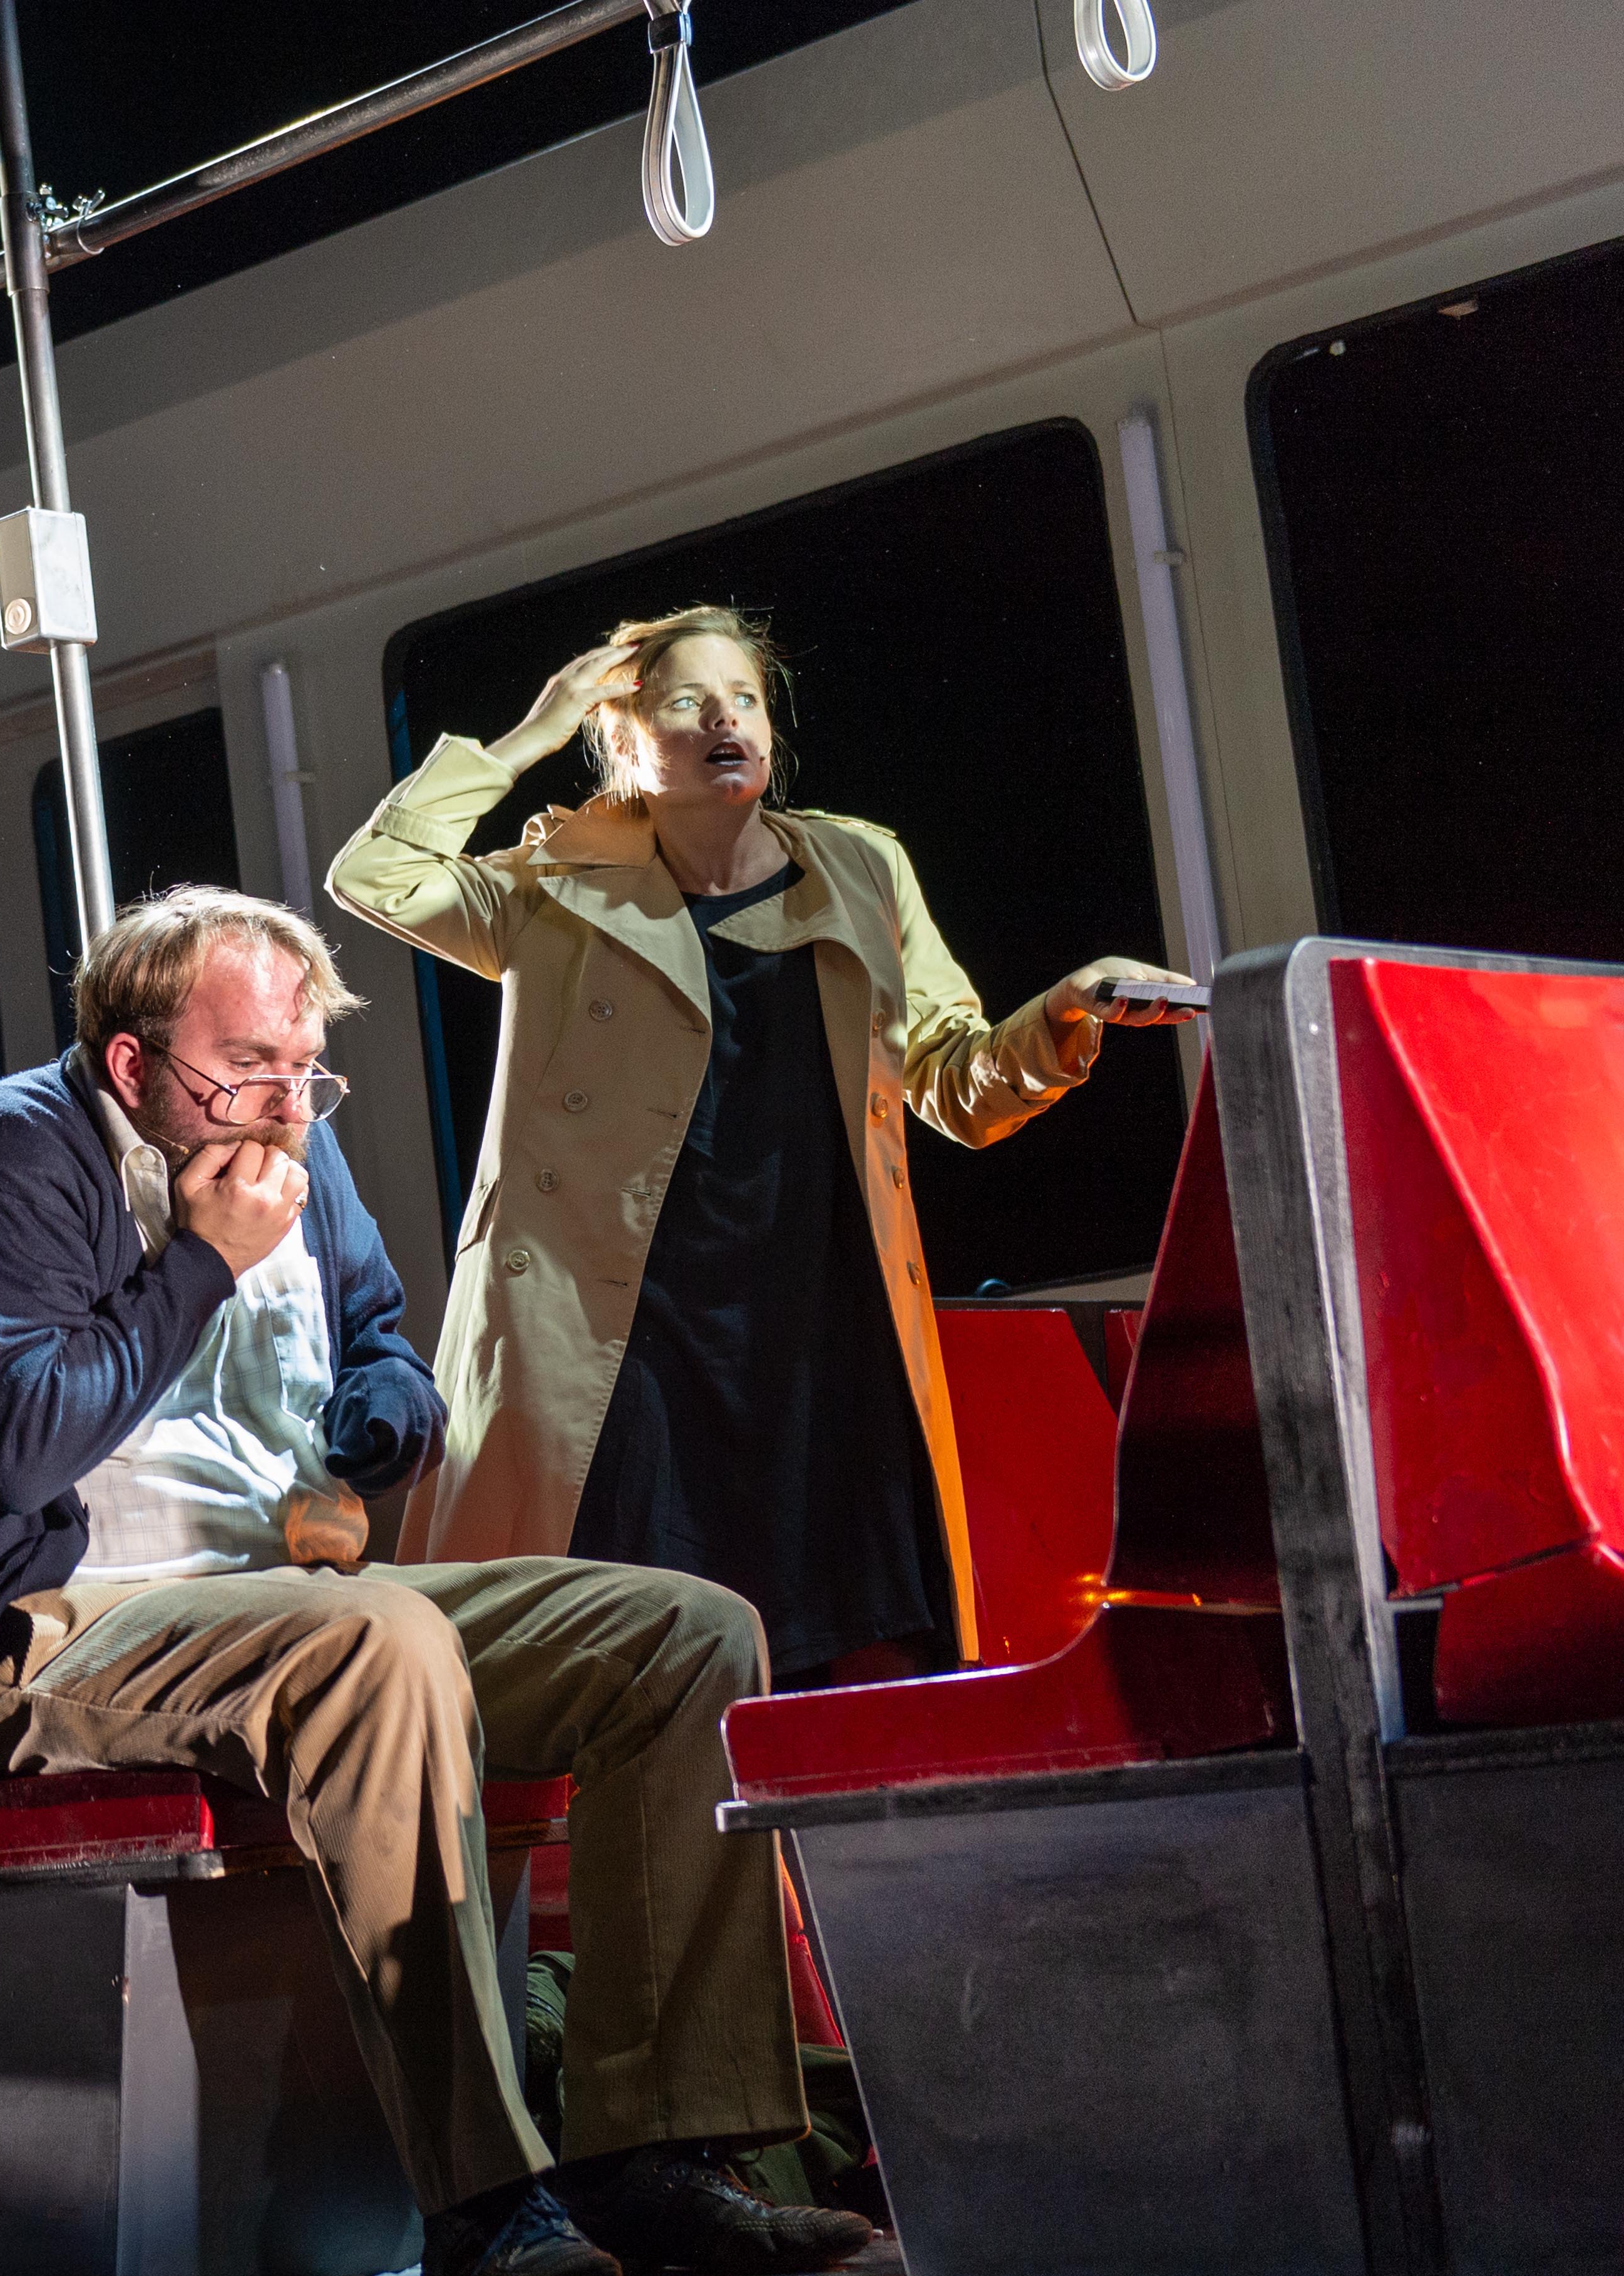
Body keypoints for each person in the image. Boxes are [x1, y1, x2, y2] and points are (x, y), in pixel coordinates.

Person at [0, 885, 870, 2276]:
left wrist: (385, 1419)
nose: (288, 1107)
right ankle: (484, 2197)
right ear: (132, 1062)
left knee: (683, 1636)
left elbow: (380, 1339)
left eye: (307, 1069)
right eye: (248, 1069)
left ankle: (657, 2152)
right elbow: (14, 1440)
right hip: (61, 1626)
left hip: (286, 1594)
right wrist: (202, 1263)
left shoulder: (297, 1140)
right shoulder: (3, 1159)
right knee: (382, 1637)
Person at [327, 605, 1200, 1682]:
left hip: (814, 1328)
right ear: (625, 740)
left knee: (848, 1659)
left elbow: (954, 1086)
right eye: (688, 703)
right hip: (622, 1339)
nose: (724, 721)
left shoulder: (861, 869)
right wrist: (527, 737)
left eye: (743, 699)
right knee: (635, 1657)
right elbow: (375, 877)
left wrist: (1068, 1012)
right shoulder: (556, 885)